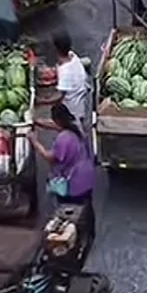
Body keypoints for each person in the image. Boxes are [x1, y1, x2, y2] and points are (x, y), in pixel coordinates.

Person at [30, 101, 96, 239]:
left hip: (73, 183)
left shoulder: (63, 139)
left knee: (70, 212)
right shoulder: (75, 127)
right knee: (86, 207)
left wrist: (35, 142)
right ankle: (90, 233)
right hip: (87, 177)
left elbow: (50, 158)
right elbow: (55, 125)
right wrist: (38, 122)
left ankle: (73, 239)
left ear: (57, 120)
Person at [52, 32, 90, 134]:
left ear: (56, 49)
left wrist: (41, 101)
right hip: (80, 103)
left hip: (72, 109)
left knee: (73, 132)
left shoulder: (65, 72)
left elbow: (59, 96)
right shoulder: (73, 56)